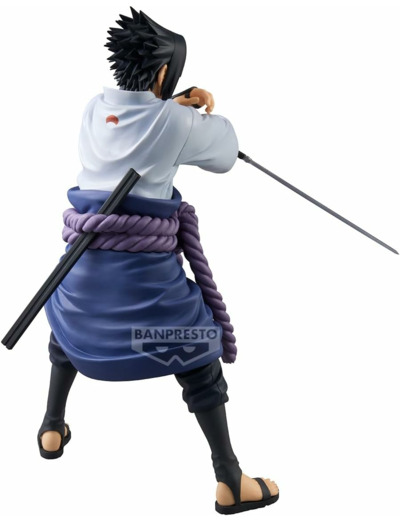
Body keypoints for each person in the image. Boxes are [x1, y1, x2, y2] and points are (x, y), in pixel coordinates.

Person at [37, 7, 279, 514]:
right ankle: (230, 479)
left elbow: (136, 124)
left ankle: (52, 426)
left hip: (78, 296)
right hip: (145, 312)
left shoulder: (93, 109)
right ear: (165, 71)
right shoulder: (175, 122)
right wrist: (189, 112)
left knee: (66, 318)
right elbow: (225, 151)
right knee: (197, 345)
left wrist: (172, 105)